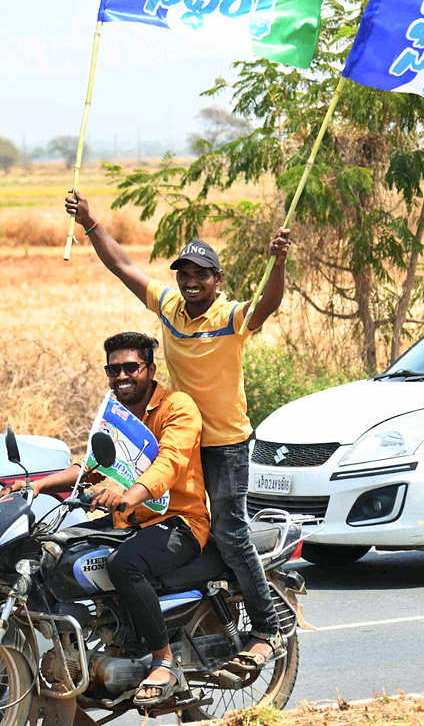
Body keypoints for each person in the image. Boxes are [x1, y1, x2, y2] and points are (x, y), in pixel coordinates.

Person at [64, 189, 291, 670]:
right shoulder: (169, 307)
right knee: (147, 526)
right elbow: (123, 267)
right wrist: (89, 223)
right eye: (184, 274)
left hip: (225, 442)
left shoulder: (229, 315)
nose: (190, 282)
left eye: (200, 275)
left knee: (229, 533)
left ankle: (266, 630)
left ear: (216, 279)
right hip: (176, 433)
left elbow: (268, 305)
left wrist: (279, 263)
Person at [2, 331, 210, 708]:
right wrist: (37, 485)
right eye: (114, 369)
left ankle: (164, 660)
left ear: (150, 368)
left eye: (131, 367)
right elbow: (92, 467)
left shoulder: (178, 407)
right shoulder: (118, 413)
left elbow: (170, 461)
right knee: (57, 546)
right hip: (128, 521)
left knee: (124, 564)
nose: (122, 375)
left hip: (180, 521)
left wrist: (129, 495)